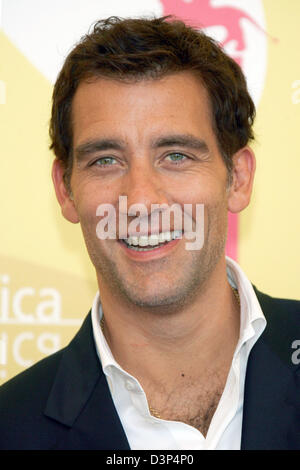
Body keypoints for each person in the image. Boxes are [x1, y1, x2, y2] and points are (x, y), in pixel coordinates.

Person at [0, 16, 299, 451]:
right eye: (106, 160)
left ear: (237, 178)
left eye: (175, 155)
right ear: (65, 190)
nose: (140, 201)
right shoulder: (10, 428)